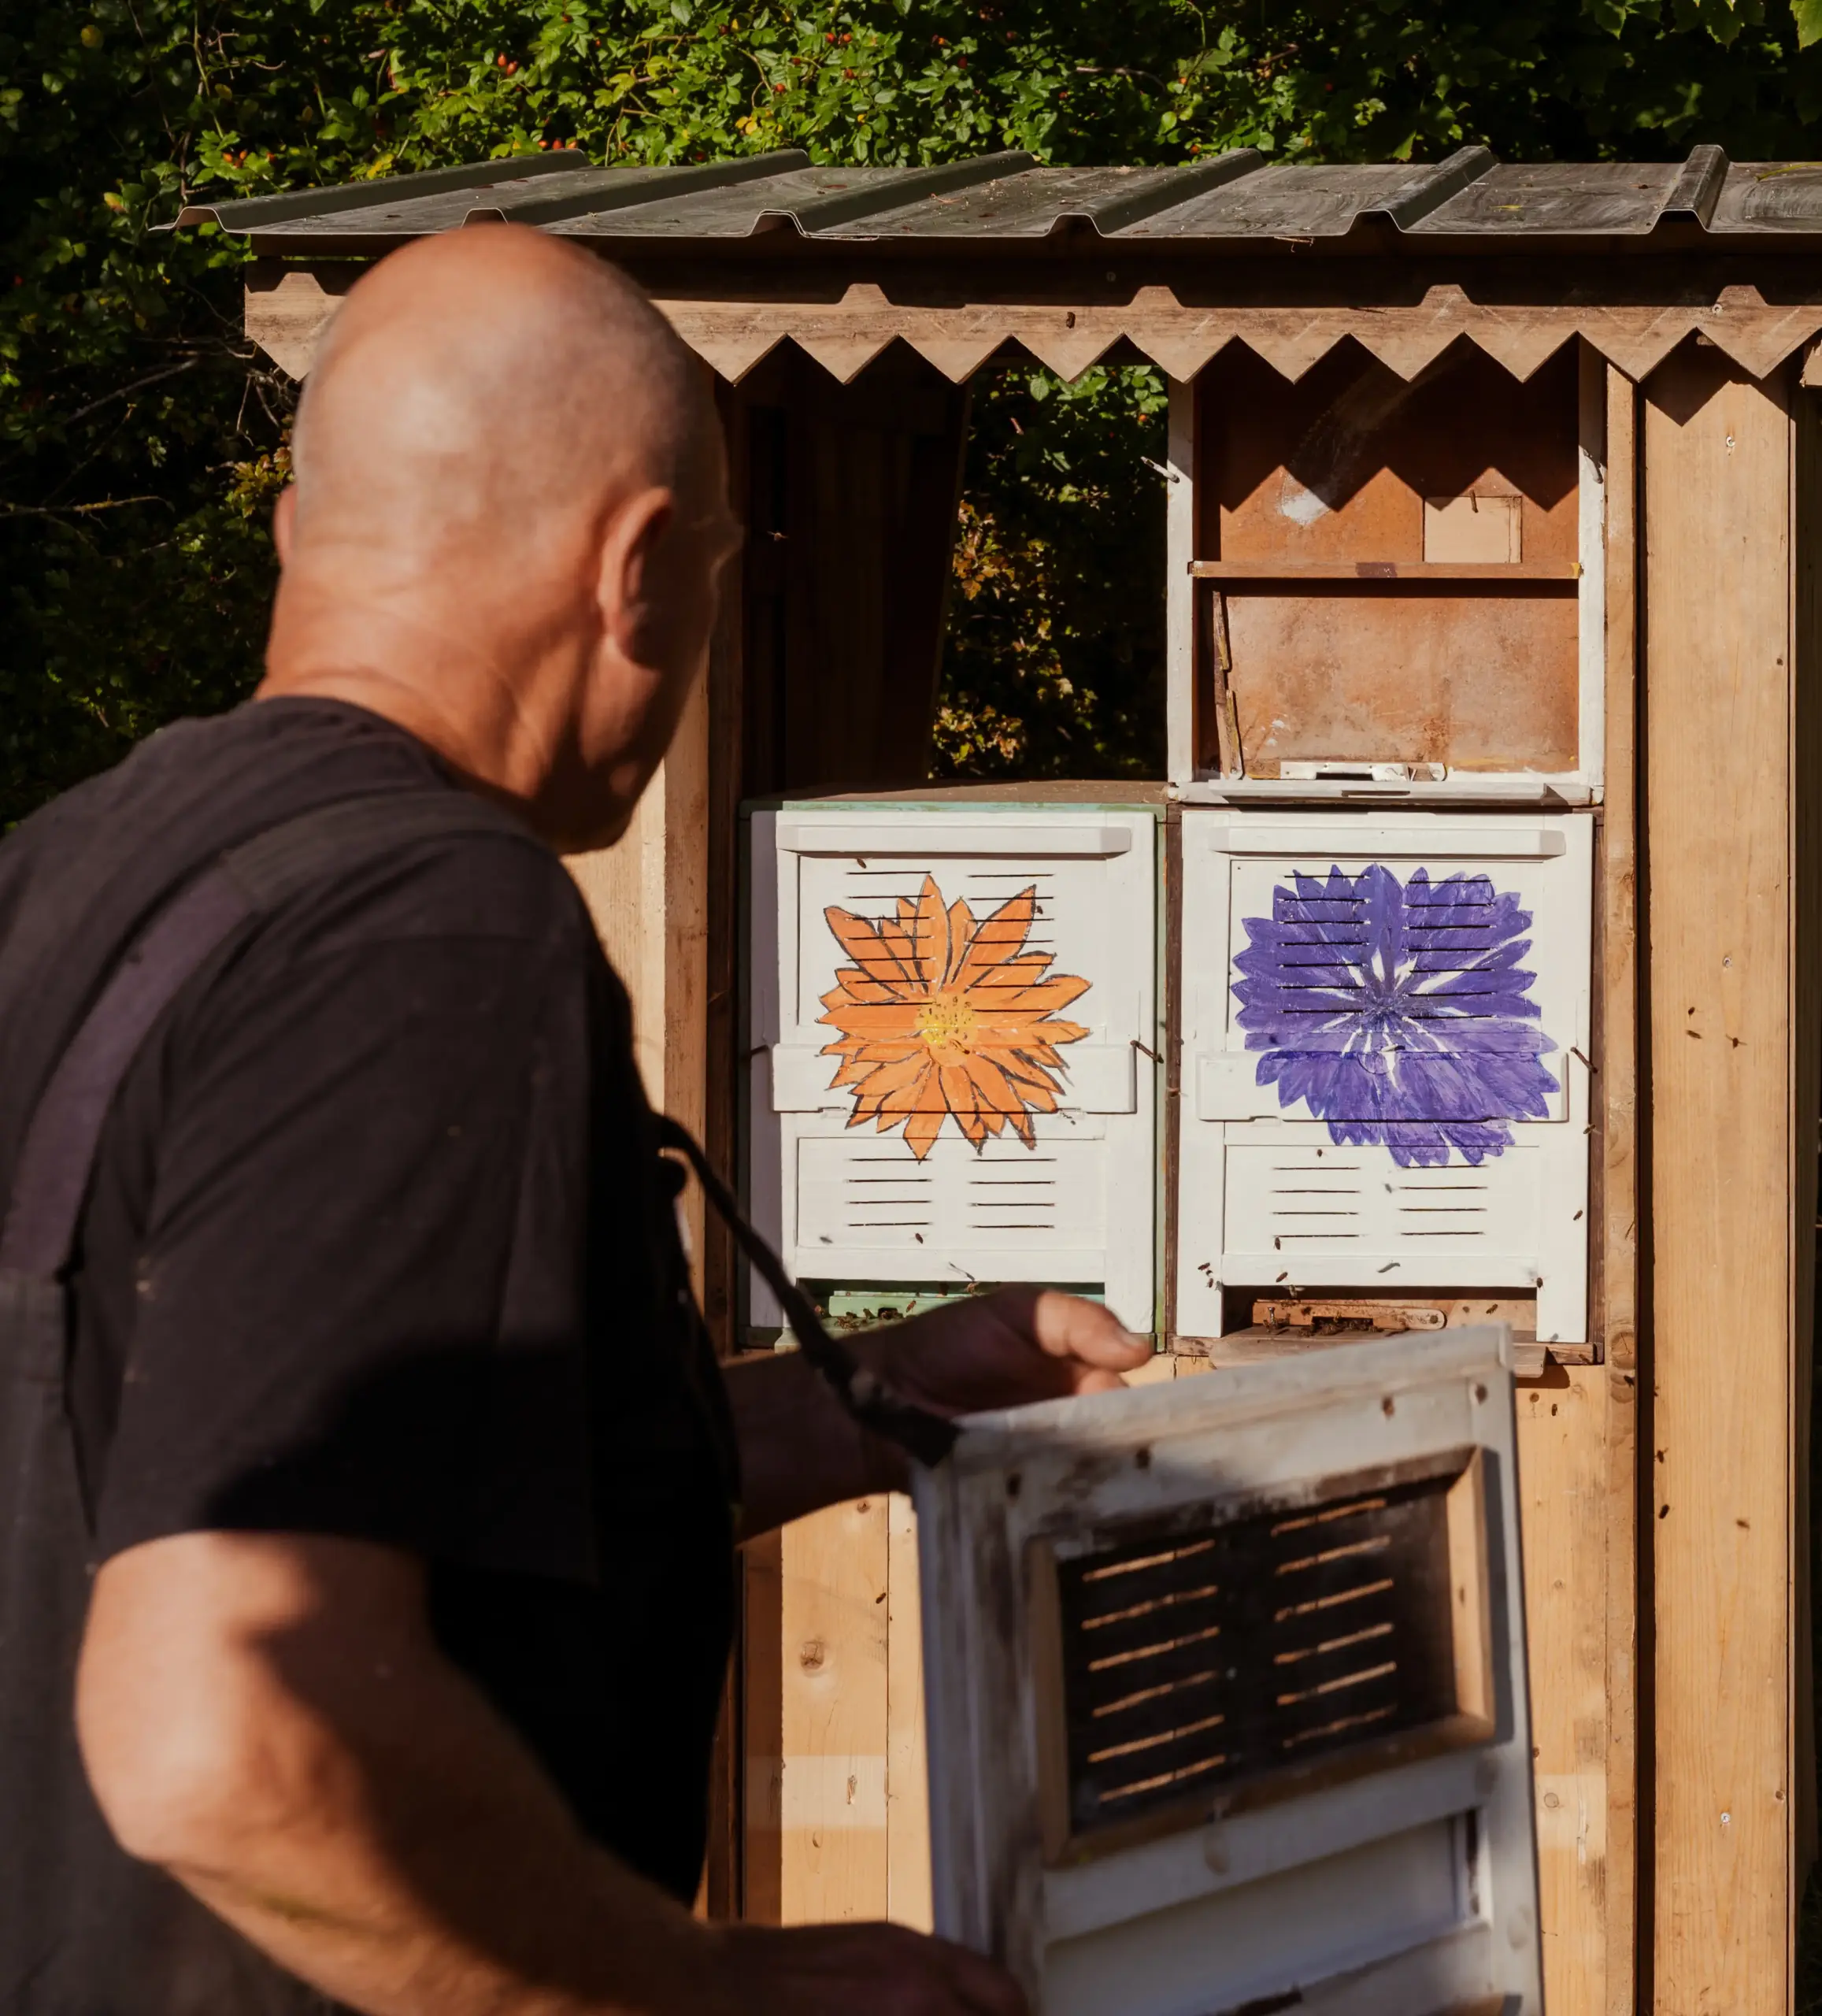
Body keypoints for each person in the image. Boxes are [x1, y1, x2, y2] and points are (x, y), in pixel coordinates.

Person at [0, 225, 1150, 2015]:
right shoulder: (432, 926)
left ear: (304, 537)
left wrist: (890, 1398)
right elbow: (220, 1728)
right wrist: (720, 1992)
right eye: (711, 572)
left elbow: (285, 1458)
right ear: (636, 572)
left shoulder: (70, 875)